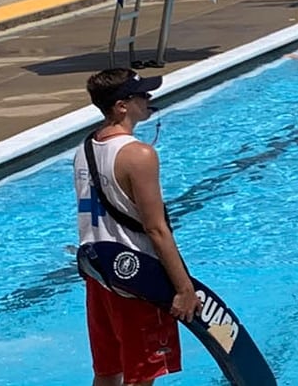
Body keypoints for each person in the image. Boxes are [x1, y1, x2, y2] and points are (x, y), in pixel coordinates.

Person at [75, 69, 192, 386]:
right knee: (141, 375)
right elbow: (156, 230)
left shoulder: (85, 149)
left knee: (108, 372)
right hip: (136, 277)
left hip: (99, 275)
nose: (149, 100)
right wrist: (184, 289)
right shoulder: (138, 155)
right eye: (142, 95)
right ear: (121, 105)